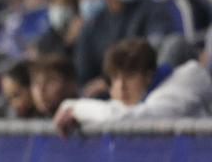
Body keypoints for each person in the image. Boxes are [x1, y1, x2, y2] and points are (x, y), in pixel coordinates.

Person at [54, 38, 212, 134]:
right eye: (115, 78)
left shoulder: (175, 93)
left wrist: (72, 108)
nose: (121, 86)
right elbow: (116, 109)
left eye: (129, 77)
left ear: (149, 75)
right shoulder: (145, 95)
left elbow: (123, 118)